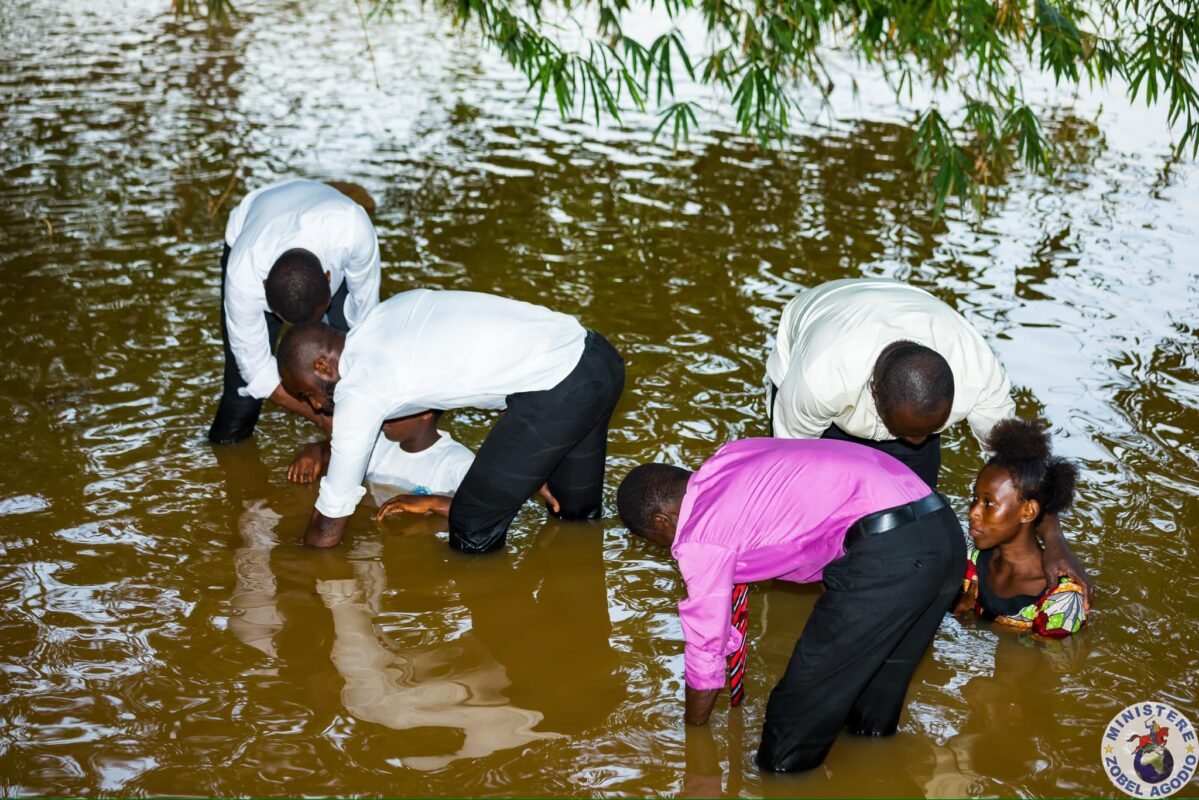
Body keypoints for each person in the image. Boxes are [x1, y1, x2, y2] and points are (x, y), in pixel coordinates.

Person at [616, 438, 965, 773]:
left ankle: (784, 778)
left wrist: (694, 737)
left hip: (889, 553)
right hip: (942, 530)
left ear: (662, 521)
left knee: (794, 715)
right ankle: (874, 771)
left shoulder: (700, 537)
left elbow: (705, 648)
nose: (669, 549)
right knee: (874, 697)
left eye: (658, 542)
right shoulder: (729, 458)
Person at [765, 277, 1091, 603]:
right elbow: (793, 475)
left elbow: (1021, 466)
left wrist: (1055, 540)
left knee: (913, 533)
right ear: (875, 393)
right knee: (824, 537)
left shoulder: (976, 374)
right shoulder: (820, 379)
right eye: (908, 432)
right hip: (825, 338)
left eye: (932, 430)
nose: (919, 442)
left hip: (913, 322)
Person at [276, 289, 624, 552]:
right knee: (575, 515)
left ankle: (501, 627)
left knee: (471, 527)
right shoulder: (385, 314)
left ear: (322, 366)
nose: (318, 406)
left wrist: (309, 574)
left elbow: (329, 523)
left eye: (307, 393)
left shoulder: (359, 387)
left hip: (557, 390)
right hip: (595, 357)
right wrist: (536, 451)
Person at [209, 178, 381, 444]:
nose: (304, 334)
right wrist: (322, 419)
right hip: (252, 220)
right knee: (241, 392)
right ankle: (226, 454)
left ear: (328, 279)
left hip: (327, 217)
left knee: (348, 359)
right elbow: (254, 371)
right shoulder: (244, 273)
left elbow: (366, 320)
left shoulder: (351, 228)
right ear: (264, 287)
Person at [955, 419, 1087, 638]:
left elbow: (1049, 666)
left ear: (1027, 512)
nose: (973, 512)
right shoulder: (971, 557)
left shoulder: (1061, 600)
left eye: (989, 503)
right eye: (975, 498)